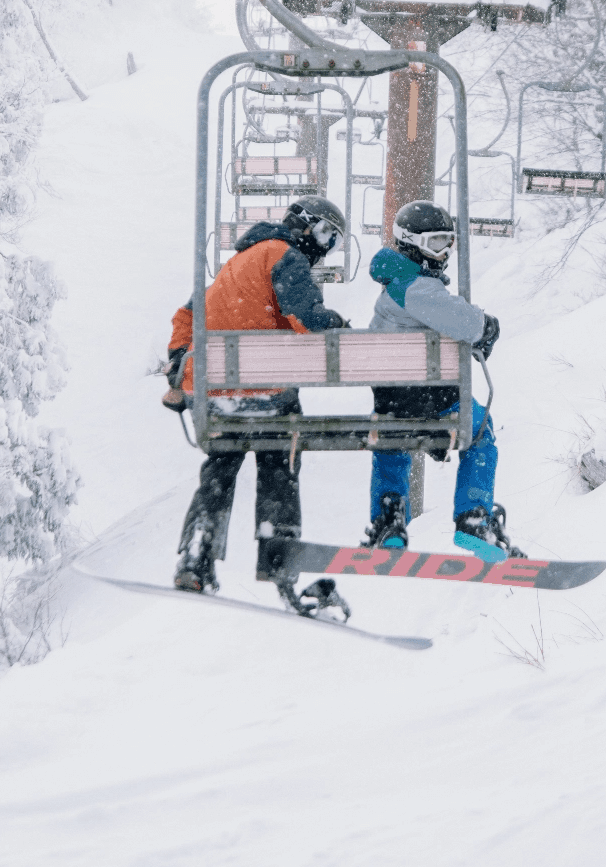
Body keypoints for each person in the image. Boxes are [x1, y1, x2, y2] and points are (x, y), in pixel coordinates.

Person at [164, 196, 348, 596]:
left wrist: (181, 366)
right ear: (306, 227)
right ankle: (279, 554)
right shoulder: (285, 257)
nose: (326, 246)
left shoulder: (237, 264)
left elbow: (186, 317)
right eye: (326, 235)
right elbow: (308, 320)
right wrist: (336, 322)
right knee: (279, 461)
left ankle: (198, 552)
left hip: (217, 394)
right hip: (267, 394)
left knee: (220, 468)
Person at [363, 200, 524, 562]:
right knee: (480, 430)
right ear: (411, 242)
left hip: (392, 401)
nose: (444, 253)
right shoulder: (414, 286)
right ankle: (472, 517)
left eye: (448, 243)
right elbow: (464, 321)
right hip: (431, 399)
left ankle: (389, 522)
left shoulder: (396, 284)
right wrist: (487, 326)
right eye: (436, 244)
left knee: (392, 439)